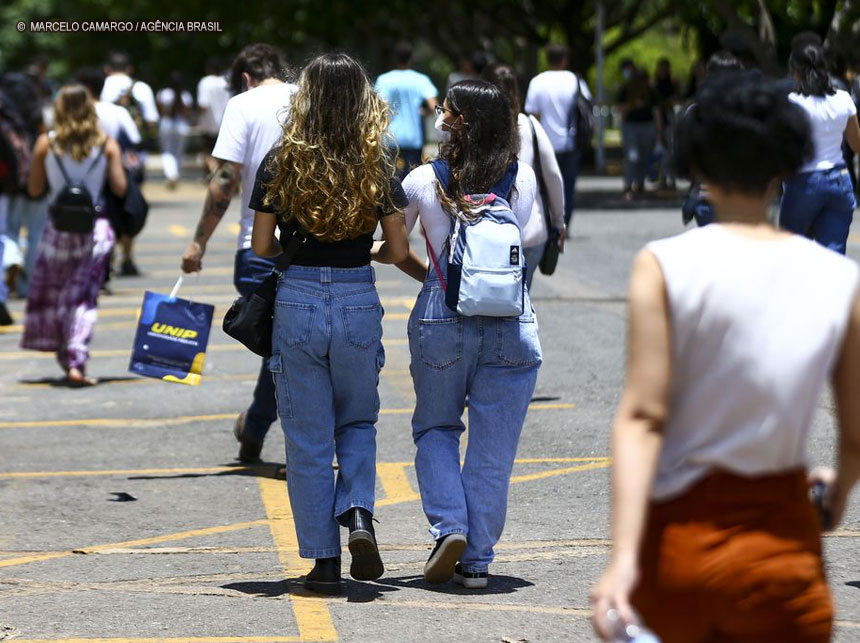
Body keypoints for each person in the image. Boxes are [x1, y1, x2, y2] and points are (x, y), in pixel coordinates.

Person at [591, 74, 860, 643]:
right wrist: (834, 498)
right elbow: (856, 434)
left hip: (679, 550)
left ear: (698, 163)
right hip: (784, 556)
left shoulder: (662, 264)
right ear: (784, 164)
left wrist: (622, 560)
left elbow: (643, 417)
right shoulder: (840, 278)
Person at [250, 53, 409, 594]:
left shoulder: (281, 160)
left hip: (296, 302)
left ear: (306, 96)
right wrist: (369, 255)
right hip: (357, 299)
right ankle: (360, 513)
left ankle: (322, 562)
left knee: (308, 438)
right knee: (358, 422)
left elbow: (262, 247)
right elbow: (399, 246)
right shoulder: (378, 159)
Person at [396, 80, 540, 589]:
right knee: (493, 448)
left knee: (436, 428)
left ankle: (449, 526)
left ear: (460, 123)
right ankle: (476, 561)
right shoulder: (520, 180)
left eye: (446, 109)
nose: (439, 113)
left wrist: (436, 278)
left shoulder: (421, 181)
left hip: (442, 312)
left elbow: (392, 247)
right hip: (510, 317)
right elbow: (532, 238)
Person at [180, 43, 297, 464]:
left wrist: (199, 242)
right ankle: (263, 425)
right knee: (291, 346)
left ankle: (257, 424)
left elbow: (225, 180)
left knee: (278, 346)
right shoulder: (309, 97)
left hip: (258, 245)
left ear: (244, 78)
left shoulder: (243, 104)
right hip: (314, 244)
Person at [20, 84, 127, 385]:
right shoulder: (106, 144)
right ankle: (76, 358)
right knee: (84, 296)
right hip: (96, 229)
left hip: (58, 231)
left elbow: (34, 189)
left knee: (59, 295)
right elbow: (120, 188)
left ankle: (67, 354)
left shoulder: (46, 143)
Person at [485, 64, 565, 290]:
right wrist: (559, 222)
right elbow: (553, 177)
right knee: (520, 300)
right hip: (530, 231)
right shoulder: (530, 126)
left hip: (485, 233)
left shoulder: (476, 126)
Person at [779, 42, 860, 255]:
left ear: (796, 72)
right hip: (839, 181)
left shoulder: (793, 103)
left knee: (793, 253)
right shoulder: (843, 99)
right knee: (833, 257)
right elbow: (857, 144)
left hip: (803, 183)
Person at [100, 51, 158, 277]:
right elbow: (151, 121)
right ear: (129, 69)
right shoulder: (140, 88)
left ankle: (107, 255)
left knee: (105, 206)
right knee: (131, 206)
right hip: (132, 159)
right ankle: (127, 257)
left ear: (107, 69)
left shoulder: (101, 87)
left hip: (103, 155)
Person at [525, 43, 591, 227]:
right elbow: (585, 107)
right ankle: (564, 223)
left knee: (545, 186)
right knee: (567, 187)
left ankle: (548, 224)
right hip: (571, 142)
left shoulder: (537, 81)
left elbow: (533, 114)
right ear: (565, 60)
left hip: (545, 144)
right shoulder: (575, 80)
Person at [374, 41, 438, 179]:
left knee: (389, 180)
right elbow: (433, 106)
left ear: (395, 58)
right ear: (411, 58)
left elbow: (377, 105)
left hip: (389, 137)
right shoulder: (421, 79)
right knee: (410, 179)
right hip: (413, 138)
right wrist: (423, 112)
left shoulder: (384, 79)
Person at [616, 61, 662, 200]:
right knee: (632, 157)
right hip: (631, 127)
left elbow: (656, 112)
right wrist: (632, 105)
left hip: (647, 126)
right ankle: (628, 186)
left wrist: (659, 133)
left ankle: (640, 185)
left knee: (644, 156)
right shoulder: (626, 89)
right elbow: (619, 109)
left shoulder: (651, 91)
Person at [157, 72, 193, 190]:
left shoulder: (163, 94)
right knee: (179, 151)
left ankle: (171, 174)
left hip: (166, 123)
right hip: (181, 124)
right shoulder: (185, 95)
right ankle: (176, 174)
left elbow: (160, 110)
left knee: (167, 151)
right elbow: (187, 112)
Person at [196, 57, 232, 177]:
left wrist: (197, 118)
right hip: (224, 122)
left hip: (208, 123)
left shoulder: (205, 82)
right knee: (222, 153)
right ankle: (220, 173)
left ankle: (215, 172)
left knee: (207, 151)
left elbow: (203, 104)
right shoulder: (226, 82)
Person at [654, 58, 677, 190]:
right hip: (658, 117)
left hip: (669, 117)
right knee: (660, 149)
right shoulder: (655, 84)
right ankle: (662, 178)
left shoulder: (673, 83)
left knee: (671, 149)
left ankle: (671, 179)